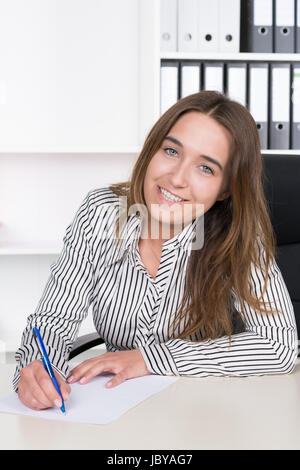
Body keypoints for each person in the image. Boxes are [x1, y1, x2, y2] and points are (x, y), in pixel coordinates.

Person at [13, 90, 298, 411]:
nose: (176, 178)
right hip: (115, 405)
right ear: (152, 150)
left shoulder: (237, 234)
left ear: (227, 187)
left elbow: (278, 345)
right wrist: (39, 367)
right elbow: (54, 319)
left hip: (210, 410)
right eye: (172, 150)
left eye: (206, 168)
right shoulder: (102, 213)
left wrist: (151, 359)